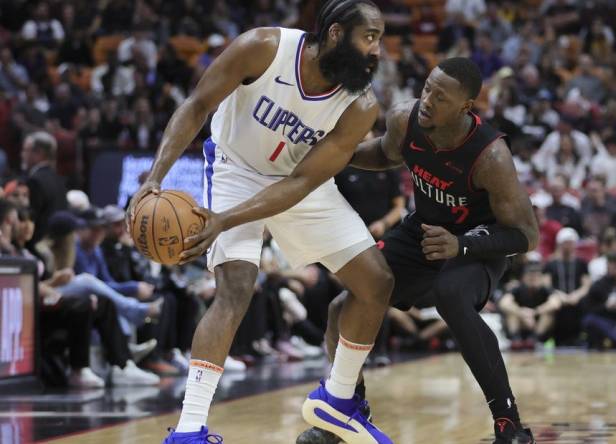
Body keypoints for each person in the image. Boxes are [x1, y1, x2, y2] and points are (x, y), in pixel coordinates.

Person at [126, 2, 394, 443]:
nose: (377, 51)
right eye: (370, 38)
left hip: (296, 182)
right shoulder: (263, 48)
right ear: (334, 33)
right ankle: (189, 430)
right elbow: (196, 107)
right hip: (235, 167)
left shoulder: (359, 107)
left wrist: (224, 220)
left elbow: (305, 181)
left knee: (375, 283)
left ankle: (339, 399)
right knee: (235, 290)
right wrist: (154, 179)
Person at [297, 58, 539, 444]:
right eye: (427, 88)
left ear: (465, 107)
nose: (427, 100)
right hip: (421, 232)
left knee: (451, 294)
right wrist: (340, 152)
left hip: (478, 245)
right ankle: (345, 410)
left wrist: (461, 244)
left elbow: (527, 235)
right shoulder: (405, 118)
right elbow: (387, 153)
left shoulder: (490, 157)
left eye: (440, 98)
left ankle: (509, 425)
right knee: (341, 309)